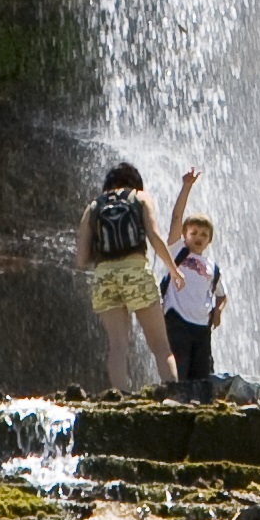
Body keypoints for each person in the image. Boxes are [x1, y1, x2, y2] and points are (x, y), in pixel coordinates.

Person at [79, 157, 162, 390]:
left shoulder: (94, 206)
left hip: (104, 275)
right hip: (135, 270)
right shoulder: (140, 198)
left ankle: (120, 398)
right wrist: (174, 271)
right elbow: (155, 237)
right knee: (161, 346)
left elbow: (81, 258)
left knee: (117, 346)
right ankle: (175, 396)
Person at [157, 168, 226, 398]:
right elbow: (177, 217)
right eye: (194, 232)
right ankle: (173, 407)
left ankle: (201, 415)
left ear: (209, 240)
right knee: (179, 372)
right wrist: (186, 187)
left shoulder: (212, 267)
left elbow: (221, 295)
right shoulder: (177, 252)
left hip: (202, 328)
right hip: (177, 321)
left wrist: (218, 311)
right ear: (185, 235)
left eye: (204, 234)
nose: (198, 237)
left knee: (203, 377)